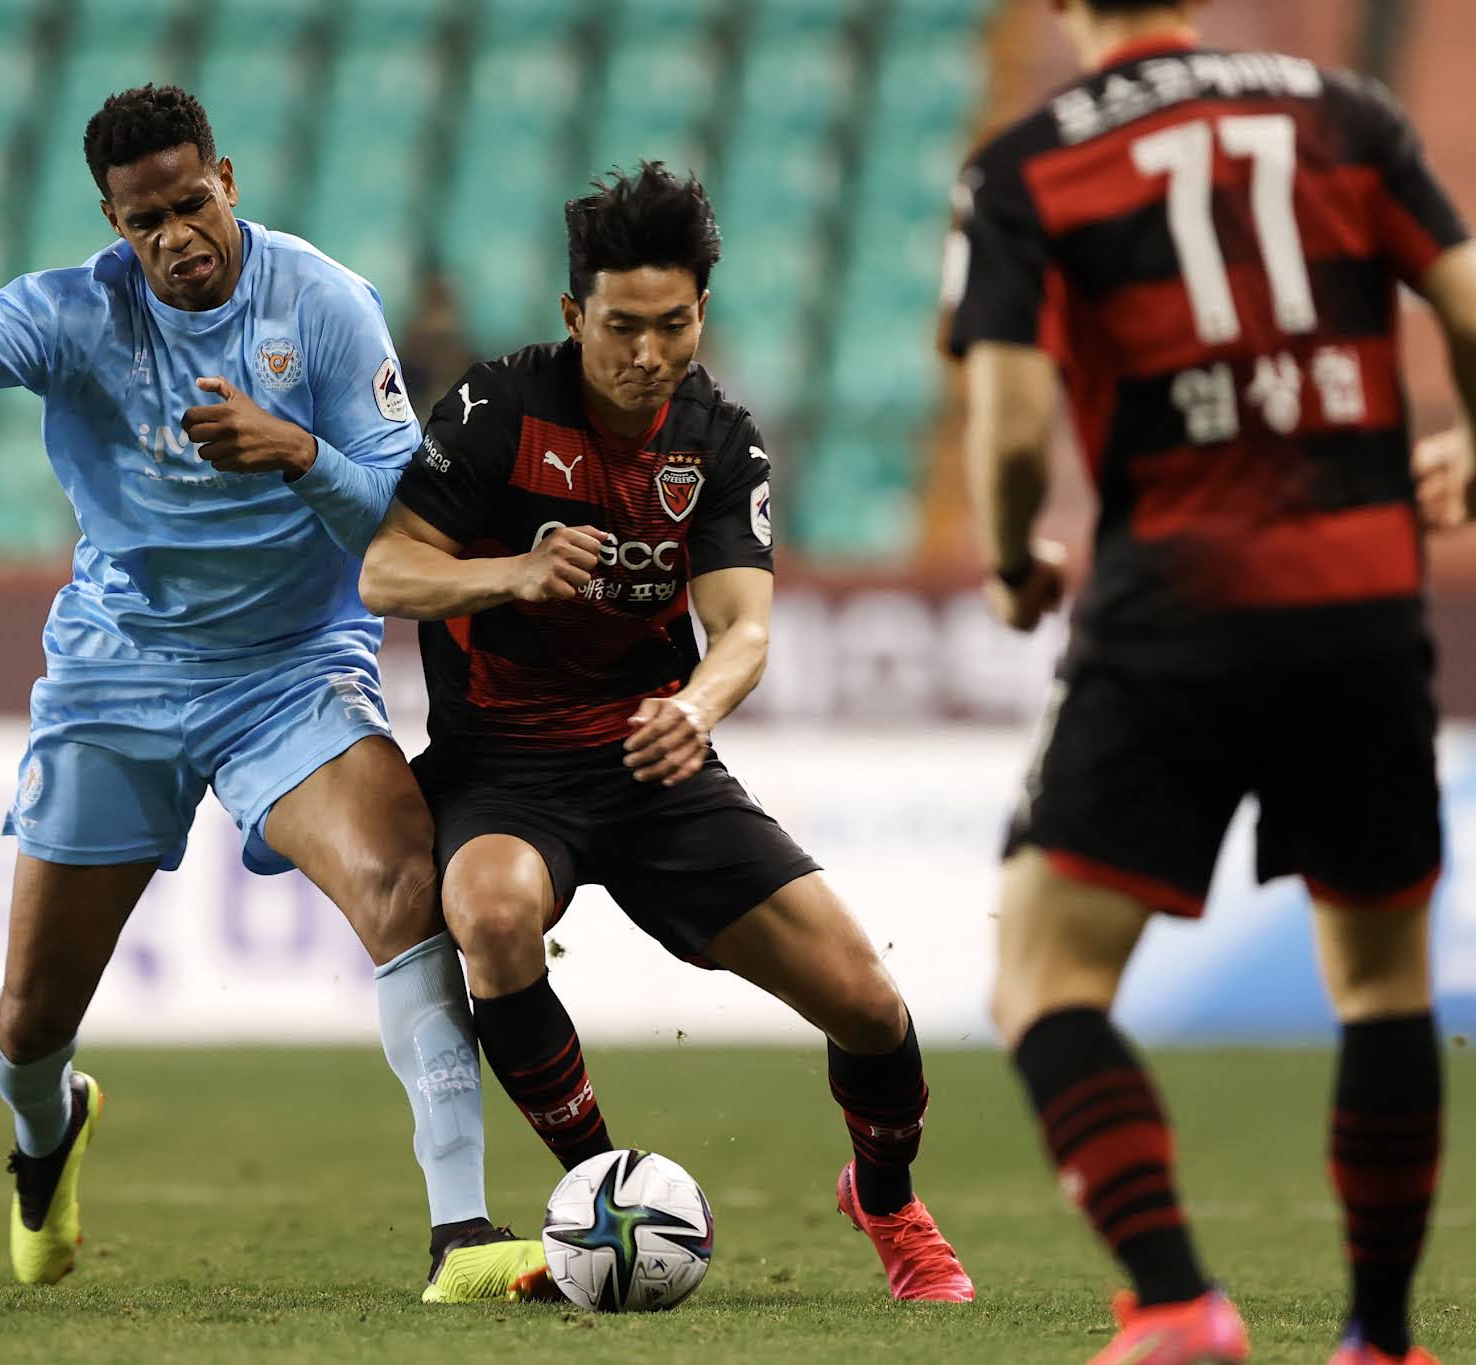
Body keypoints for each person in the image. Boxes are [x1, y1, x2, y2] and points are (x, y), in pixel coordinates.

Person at [0, 85, 547, 1303]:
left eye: (191, 203)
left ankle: (461, 1236)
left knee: (405, 888)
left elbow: (408, 516)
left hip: (291, 672)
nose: (175, 237)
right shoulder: (69, 314)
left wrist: (296, 450)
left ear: (229, 181)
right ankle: (48, 1138)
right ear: (112, 221)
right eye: (143, 219)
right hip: (118, 675)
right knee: (27, 1019)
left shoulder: (321, 304)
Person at [946, 2, 1476, 1360]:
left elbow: (1009, 421)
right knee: (1382, 981)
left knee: (1046, 974)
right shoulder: (1344, 114)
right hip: (1363, 604)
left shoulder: (1030, 162)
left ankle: (1177, 1298)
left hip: (1174, 610)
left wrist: (1014, 561)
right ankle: (1382, 1336)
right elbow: (1468, 300)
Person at [359, 162, 976, 1304]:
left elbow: (744, 627)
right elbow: (386, 568)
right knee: (489, 913)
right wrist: (510, 573)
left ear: (702, 314)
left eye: (673, 327)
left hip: (653, 765)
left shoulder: (718, 440)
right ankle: (600, 1201)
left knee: (867, 1004)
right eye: (621, 328)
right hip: (504, 769)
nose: (648, 356)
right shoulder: (498, 408)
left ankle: (886, 1202)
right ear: (571, 315)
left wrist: (695, 707)